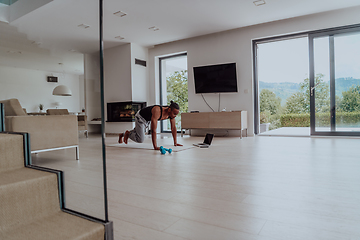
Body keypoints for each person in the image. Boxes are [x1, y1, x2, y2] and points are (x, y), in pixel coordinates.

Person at [118, 101, 183, 150]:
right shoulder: (157, 110)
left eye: (176, 114)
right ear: (169, 109)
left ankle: (122, 134)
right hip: (140, 117)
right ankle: (128, 133)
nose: (175, 116)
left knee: (138, 132)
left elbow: (173, 128)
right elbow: (153, 130)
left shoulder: (171, 115)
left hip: (147, 120)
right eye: (174, 113)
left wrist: (175, 143)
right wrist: (155, 146)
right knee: (140, 139)